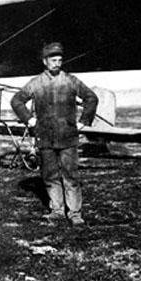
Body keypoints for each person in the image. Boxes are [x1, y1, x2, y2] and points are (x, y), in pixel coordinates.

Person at [10, 42, 98, 226]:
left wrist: (83, 122)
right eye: (53, 60)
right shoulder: (36, 83)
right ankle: (57, 211)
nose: (57, 63)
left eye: (60, 60)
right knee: (50, 176)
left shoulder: (70, 80)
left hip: (68, 136)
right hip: (45, 137)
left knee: (71, 176)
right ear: (45, 61)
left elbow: (91, 98)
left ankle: (75, 213)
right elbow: (17, 100)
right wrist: (29, 119)